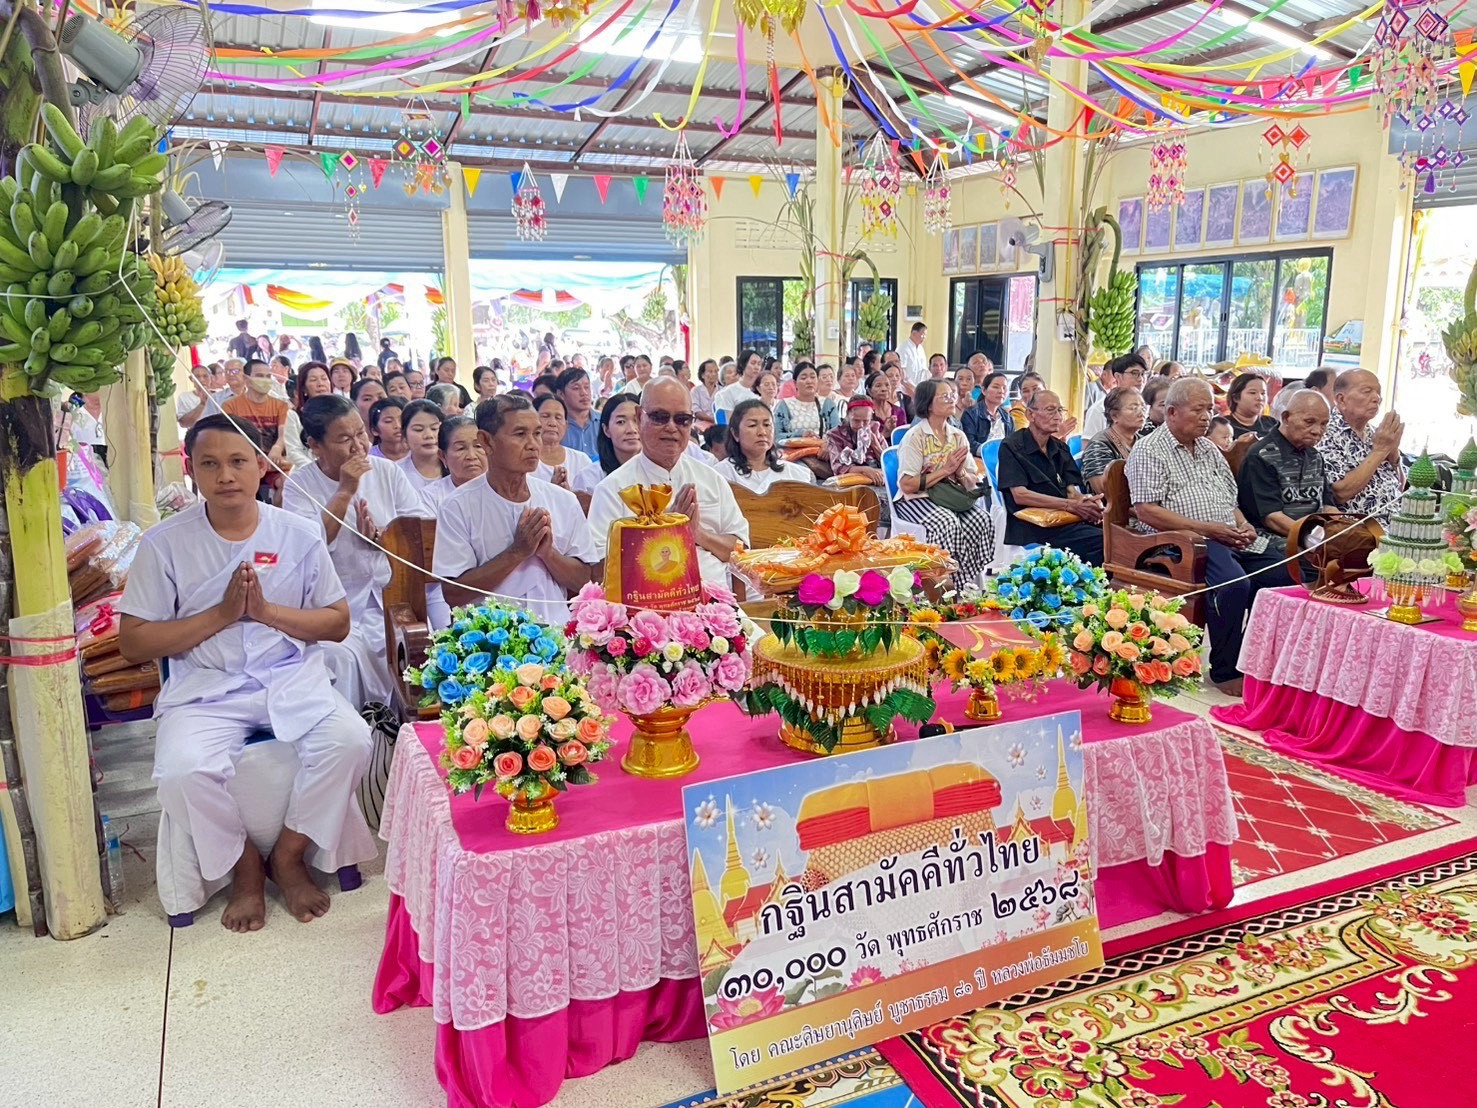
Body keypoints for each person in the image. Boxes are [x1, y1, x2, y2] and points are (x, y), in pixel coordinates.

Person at [117, 416, 373, 932]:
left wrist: (264, 612)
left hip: (288, 676)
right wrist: (222, 615)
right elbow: (133, 640)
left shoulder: (298, 533)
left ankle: (289, 852)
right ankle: (244, 865)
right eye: (209, 464)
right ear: (192, 472)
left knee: (352, 741)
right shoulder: (164, 543)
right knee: (183, 770)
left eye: (238, 461)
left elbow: (337, 623)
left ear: (262, 466)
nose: (226, 475)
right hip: (206, 689)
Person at [1126, 377, 1284, 696]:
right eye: (1198, 409)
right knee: (1234, 584)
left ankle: (1255, 662)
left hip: (1226, 534)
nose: (1206, 417)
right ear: (1171, 412)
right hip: (1181, 541)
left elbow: (1230, 497)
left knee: (1281, 576)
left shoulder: (1209, 448)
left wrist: (1243, 524)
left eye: (1210, 409)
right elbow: (1146, 511)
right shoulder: (1150, 449)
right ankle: (1224, 669)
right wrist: (1208, 530)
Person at [284, 395, 425, 708]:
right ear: (316, 445)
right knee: (344, 660)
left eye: (361, 433)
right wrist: (345, 490)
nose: (358, 446)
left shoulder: (387, 471)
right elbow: (308, 549)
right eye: (344, 439)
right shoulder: (299, 486)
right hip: (339, 604)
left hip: (394, 597)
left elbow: (418, 531)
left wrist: (382, 538)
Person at [432, 393, 595, 624]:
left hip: (556, 633)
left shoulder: (563, 500)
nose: (533, 445)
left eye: (536, 433)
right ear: (486, 441)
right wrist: (517, 552)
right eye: (520, 434)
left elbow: (584, 581)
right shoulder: (457, 506)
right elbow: (454, 594)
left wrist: (548, 554)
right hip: (491, 641)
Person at [587, 378, 749, 589]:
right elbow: (600, 571)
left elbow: (741, 550)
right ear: (638, 417)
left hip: (714, 608)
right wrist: (666, 531)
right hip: (644, 609)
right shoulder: (612, 489)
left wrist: (698, 534)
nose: (671, 427)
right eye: (660, 417)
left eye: (682, 419)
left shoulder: (712, 479)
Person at [894, 379, 996, 584]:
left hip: (950, 495)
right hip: (916, 498)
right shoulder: (916, 437)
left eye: (953, 394)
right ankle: (941, 583)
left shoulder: (958, 436)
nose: (952, 399)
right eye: (945, 396)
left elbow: (971, 480)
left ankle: (963, 580)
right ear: (929, 404)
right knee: (946, 523)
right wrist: (945, 470)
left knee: (981, 520)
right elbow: (907, 484)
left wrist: (959, 474)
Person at [997, 389, 1105, 564]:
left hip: (1065, 518)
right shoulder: (1012, 446)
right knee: (1102, 542)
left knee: (1115, 534)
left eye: (1059, 410)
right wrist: (1070, 505)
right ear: (1030, 414)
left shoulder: (1060, 448)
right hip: (1035, 524)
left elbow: (1071, 491)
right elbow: (1020, 495)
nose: (1057, 417)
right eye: (1050, 410)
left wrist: (1087, 502)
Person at [1238, 390, 1336, 560]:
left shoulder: (1314, 455)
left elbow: (1327, 505)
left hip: (1313, 536)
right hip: (1272, 537)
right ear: (1286, 417)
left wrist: (1343, 529)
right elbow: (1272, 519)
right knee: (1316, 563)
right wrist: (1312, 540)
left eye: (1324, 424)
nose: (1317, 431)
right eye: (1309, 422)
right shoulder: (1262, 455)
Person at [1316, 369, 1405, 523]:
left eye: (1378, 392)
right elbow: (1339, 493)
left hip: (1395, 523)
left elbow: (1399, 487)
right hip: (1359, 531)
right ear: (1341, 399)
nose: (1376, 398)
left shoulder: (1375, 433)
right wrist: (1380, 451)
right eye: (1367, 391)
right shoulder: (1325, 433)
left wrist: (1393, 453)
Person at [222, 359, 291, 498]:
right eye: (259, 376)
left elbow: (283, 434)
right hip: (243, 463)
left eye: (268, 376)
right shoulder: (230, 406)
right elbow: (230, 439)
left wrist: (276, 449)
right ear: (246, 379)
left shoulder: (281, 406)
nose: (265, 380)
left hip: (274, 463)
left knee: (287, 486)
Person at [716, 399, 816, 493]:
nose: (762, 432)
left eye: (767, 425)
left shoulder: (796, 473)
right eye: (752, 425)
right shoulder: (721, 474)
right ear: (735, 434)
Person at [571, 392, 642, 506]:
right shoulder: (589, 478)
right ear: (606, 430)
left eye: (637, 421)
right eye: (621, 422)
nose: (631, 429)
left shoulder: (658, 470)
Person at [1079, 386, 1147, 495]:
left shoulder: (1145, 443)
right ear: (1114, 415)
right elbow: (1103, 490)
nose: (1141, 413)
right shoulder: (1099, 445)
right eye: (1133, 408)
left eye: (1143, 407)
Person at [422, 416, 486, 513]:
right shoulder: (430, 497)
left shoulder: (505, 491)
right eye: (461, 448)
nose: (471, 456)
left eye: (478, 446)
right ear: (442, 456)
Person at [533, 393, 594, 489]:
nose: (552, 423)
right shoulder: (524, 461)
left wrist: (568, 495)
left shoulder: (581, 460)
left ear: (566, 425)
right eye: (545, 416)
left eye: (558, 417)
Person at [773, 363, 840, 444]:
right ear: (795, 383)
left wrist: (828, 446)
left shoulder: (828, 404)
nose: (809, 381)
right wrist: (799, 435)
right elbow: (776, 436)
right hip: (792, 454)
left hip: (822, 453)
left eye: (813, 377)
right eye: (804, 378)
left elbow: (838, 434)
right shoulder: (784, 406)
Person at [283, 361, 332, 472]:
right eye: (314, 380)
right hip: (306, 473)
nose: (320, 384)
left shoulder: (342, 412)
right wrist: (319, 471)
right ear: (304, 388)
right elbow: (293, 452)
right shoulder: (293, 415)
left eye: (324, 379)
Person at [1084, 353, 1147, 436]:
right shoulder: (1099, 410)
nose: (1140, 379)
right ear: (1118, 376)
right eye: (1134, 373)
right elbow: (1088, 446)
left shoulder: (1146, 408)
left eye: (1143, 374)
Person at [397, 399, 446, 492]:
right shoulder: (395, 472)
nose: (429, 435)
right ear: (404, 435)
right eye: (418, 429)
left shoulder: (456, 467)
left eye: (434, 428)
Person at [962, 371, 1011, 451]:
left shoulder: (1008, 418)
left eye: (1004, 388)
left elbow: (1012, 444)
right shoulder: (971, 414)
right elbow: (969, 443)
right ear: (984, 390)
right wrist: (990, 453)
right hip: (979, 460)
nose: (1001, 391)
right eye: (996, 387)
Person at [556, 367, 599, 458]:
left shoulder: (604, 421)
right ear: (561, 394)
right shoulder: (557, 426)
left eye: (587, 387)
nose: (584, 393)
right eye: (576, 388)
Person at [1224, 373, 1278, 439]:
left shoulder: (1272, 423)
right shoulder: (1223, 426)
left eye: (1263, 393)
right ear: (1236, 397)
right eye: (1252, 393)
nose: (1260, 398)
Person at [714, 350, 763, 415]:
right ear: (742, 365)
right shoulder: (726, 393)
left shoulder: (763, 389)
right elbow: (727, 421)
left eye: (759, 364)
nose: (757, 367)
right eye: (753, 363)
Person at [867, 370, 909, 441]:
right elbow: (865, 442)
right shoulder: (866, 413)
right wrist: (885, 433)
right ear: (869, 391)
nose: (884, 389)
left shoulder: (898, 412)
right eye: (878, 386)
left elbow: (904, 438)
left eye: (887, 385)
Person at [366, 396, 409, 462]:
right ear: (374, 430)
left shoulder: (418, 452)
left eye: (401, 419)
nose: (398, 426)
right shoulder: (369, 458)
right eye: (388, 421)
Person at [176, 364, 214, 431]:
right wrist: (202, 404)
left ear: (211, 378)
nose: (201, 380)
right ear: (191, 379)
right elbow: (184, 423)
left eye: (205, 376)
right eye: (197, 377)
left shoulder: (219, 395)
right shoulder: (185, 397)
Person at [899, 321, 928, 395]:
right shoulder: (904, 348)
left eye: (925, 335)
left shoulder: (920, 348)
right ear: (914, 333)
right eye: (922, 335)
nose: (924, 338)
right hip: (907, 391)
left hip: (920, 388)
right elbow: (902, 371)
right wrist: (912, 390)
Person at [691, 359, 720, 424]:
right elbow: (696, 411)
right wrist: (712, 420)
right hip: (700, 425)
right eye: (710, 371)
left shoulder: (722, 391)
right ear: (702, 375)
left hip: (718, 425)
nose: (714, 374)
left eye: (716, 371)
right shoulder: (695, 391)